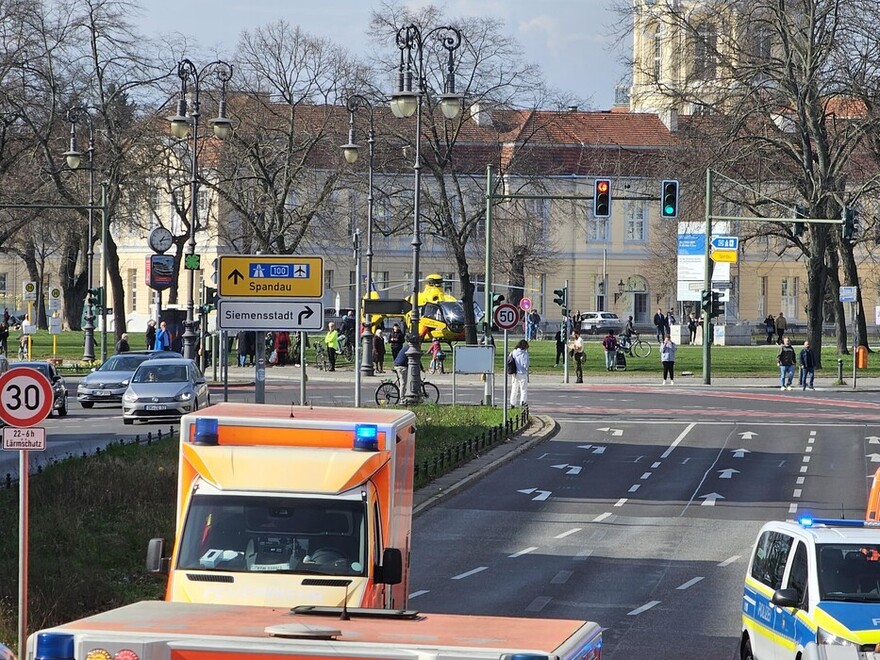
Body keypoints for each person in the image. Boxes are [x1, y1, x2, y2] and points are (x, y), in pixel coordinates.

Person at [508, 339, 530, 407]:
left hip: (515, 373)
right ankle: (523, 403)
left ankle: (512, 403)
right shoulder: (525, 354)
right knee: (523, 390)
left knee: (514, 389)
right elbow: (525, 364)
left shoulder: (513, 352)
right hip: (522, 374)